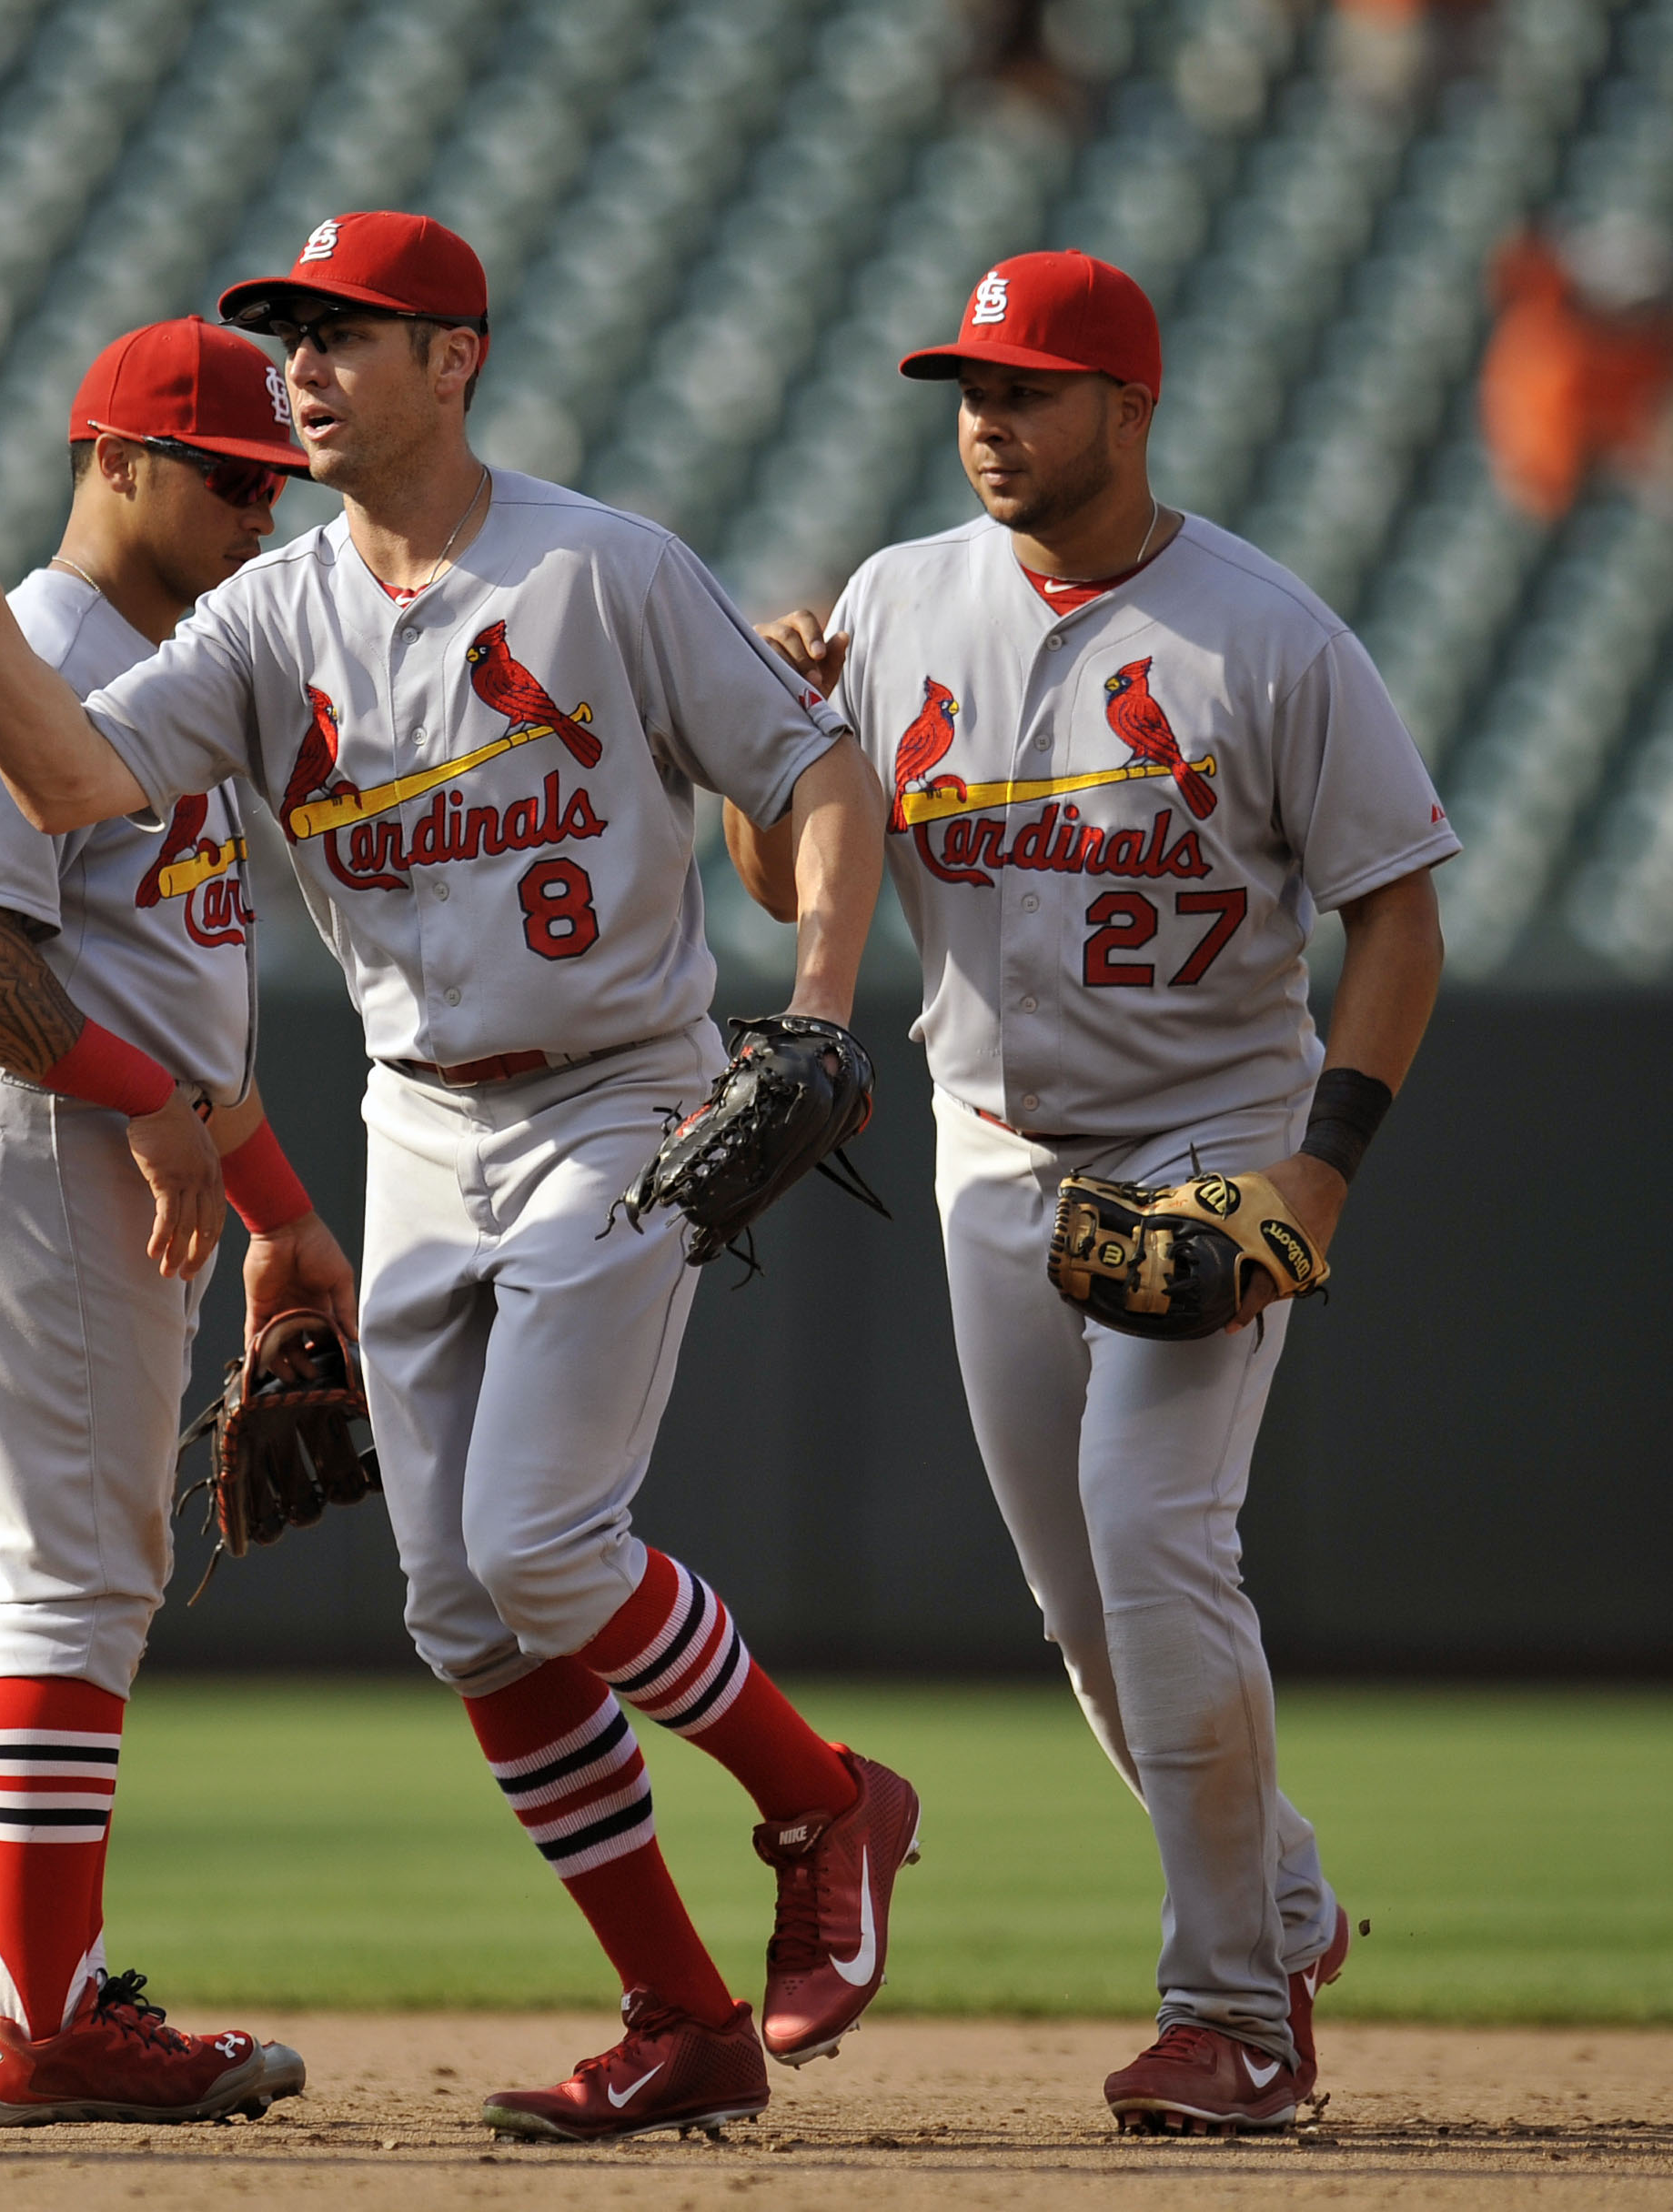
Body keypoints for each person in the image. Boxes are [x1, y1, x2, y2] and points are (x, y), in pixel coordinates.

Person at [0, 210, 921, 2145]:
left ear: (457, 360)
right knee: (459, 1609)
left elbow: (817, 773)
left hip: (624, 1089)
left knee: (536, 1545)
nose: (303, 363)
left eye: (346, 331)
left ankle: (823, 1794)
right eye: (287, 330)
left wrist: (824, 1011)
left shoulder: (598, 566)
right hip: (418, 1110)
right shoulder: (274, 624)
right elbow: (69, 786)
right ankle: (682, 2011)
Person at [746, 249, 1453, 2134]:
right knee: (1084, 1608)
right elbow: (773, 876)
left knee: (1157, 1536)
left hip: (1212, 1132)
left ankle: (1232, 2011)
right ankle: (1286, 1903)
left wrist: (1324, 1160)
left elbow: (1401, 913)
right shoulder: (899, 600)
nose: (986, 418)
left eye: (1027, 389)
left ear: (1128, 410)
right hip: (991, 1147)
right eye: (968, 388)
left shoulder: (1266, 635)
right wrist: (779, 731)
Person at [0, 317, 347, 2127]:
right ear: (117, 460)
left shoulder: (163, 670)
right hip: (29, 1134)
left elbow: (161, 995)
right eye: (233, 479)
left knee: (94, 1574)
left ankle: (49, 2003)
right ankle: (48, 2021)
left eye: (276, 485)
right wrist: (154, 1109)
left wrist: (283, 1217)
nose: (262, 512)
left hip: (84, 1139)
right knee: (74, 1577)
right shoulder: (42, 656)